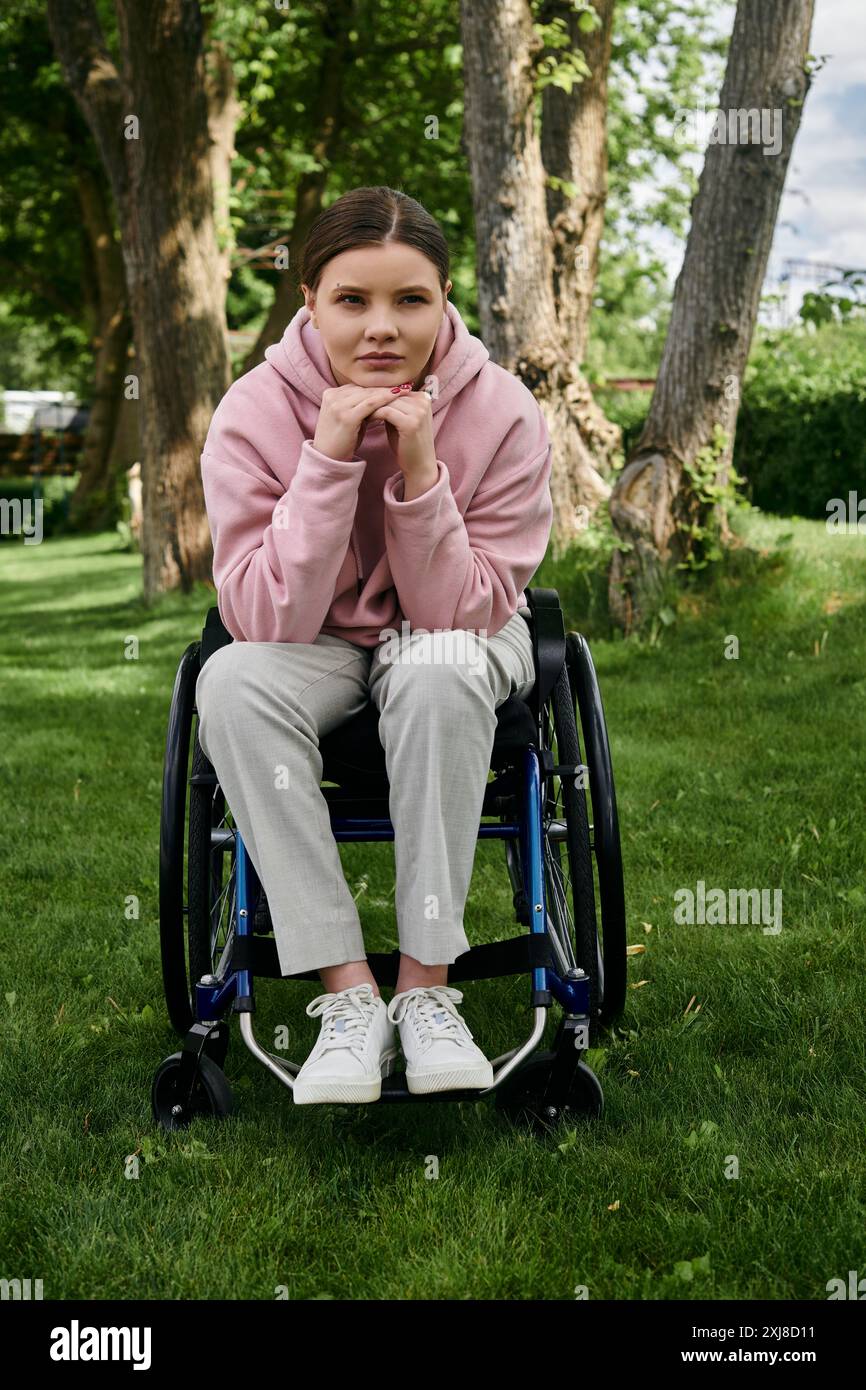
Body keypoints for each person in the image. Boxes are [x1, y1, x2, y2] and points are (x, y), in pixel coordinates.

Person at [195, 185, 553, 1105]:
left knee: (432, 672)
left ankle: (427, 993)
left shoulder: (503, 411)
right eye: (352, 300)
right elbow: (261, 618)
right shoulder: (251, 412)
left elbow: (460, 611)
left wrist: (423, 469)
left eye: (411, 300)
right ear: (308, 300)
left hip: (462, 632)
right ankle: (350, 997)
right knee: (230, 681)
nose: (382, 327)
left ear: (445, 300)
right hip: (314, 638)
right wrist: (327, 461)